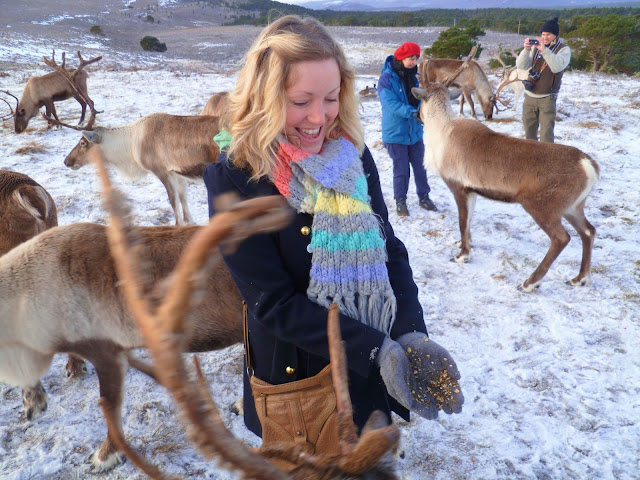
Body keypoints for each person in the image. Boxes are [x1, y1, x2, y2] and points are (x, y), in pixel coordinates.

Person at [203, 15, 463, 444]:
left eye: (330, 97)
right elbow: (273, 303)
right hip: (299, 383)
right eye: (301, 101)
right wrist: (375, 349)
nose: (319, 117)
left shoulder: (352, 157)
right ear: (264, 97)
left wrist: (411, 333)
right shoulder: (236, 179)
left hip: (370, 368)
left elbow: (389, 250)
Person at [378, 41, 436, 217]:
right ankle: (400, 200)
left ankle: (424, 196)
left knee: (420, 166)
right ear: (401, 58)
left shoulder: (416, 76)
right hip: (395, 134)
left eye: (416, 58)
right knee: (401, 169)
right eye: (411, 58)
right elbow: (390, 104)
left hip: (415, 132)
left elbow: (420, 99)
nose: (414, 61)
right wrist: (413, 112)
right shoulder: (386, 79)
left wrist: (425, 109)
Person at [516, 16, 571, 143]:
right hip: (530, 96)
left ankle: (546, 161)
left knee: (546, 135)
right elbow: (521, 65)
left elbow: (557, 67)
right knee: (529, 134)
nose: (545, 37)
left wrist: (544, 50)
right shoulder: (536, 48)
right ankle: (531, 160)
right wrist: (526, 49)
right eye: (543, 34)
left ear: (556, 35)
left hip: (547, 98)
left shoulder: (563, 50)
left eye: (549, 35)